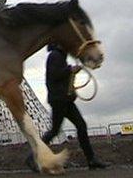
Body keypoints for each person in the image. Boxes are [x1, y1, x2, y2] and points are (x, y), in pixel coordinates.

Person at [26, 44, 107, 172]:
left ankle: (91, 160)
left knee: (80, 125)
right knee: (54, 131)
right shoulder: (55, 56)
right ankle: (31, 158)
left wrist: (71, 75)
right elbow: (54, 75)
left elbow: (61, 79)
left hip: (65, 100)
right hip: (59, 101)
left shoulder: (60, 57)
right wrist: (70, 70)